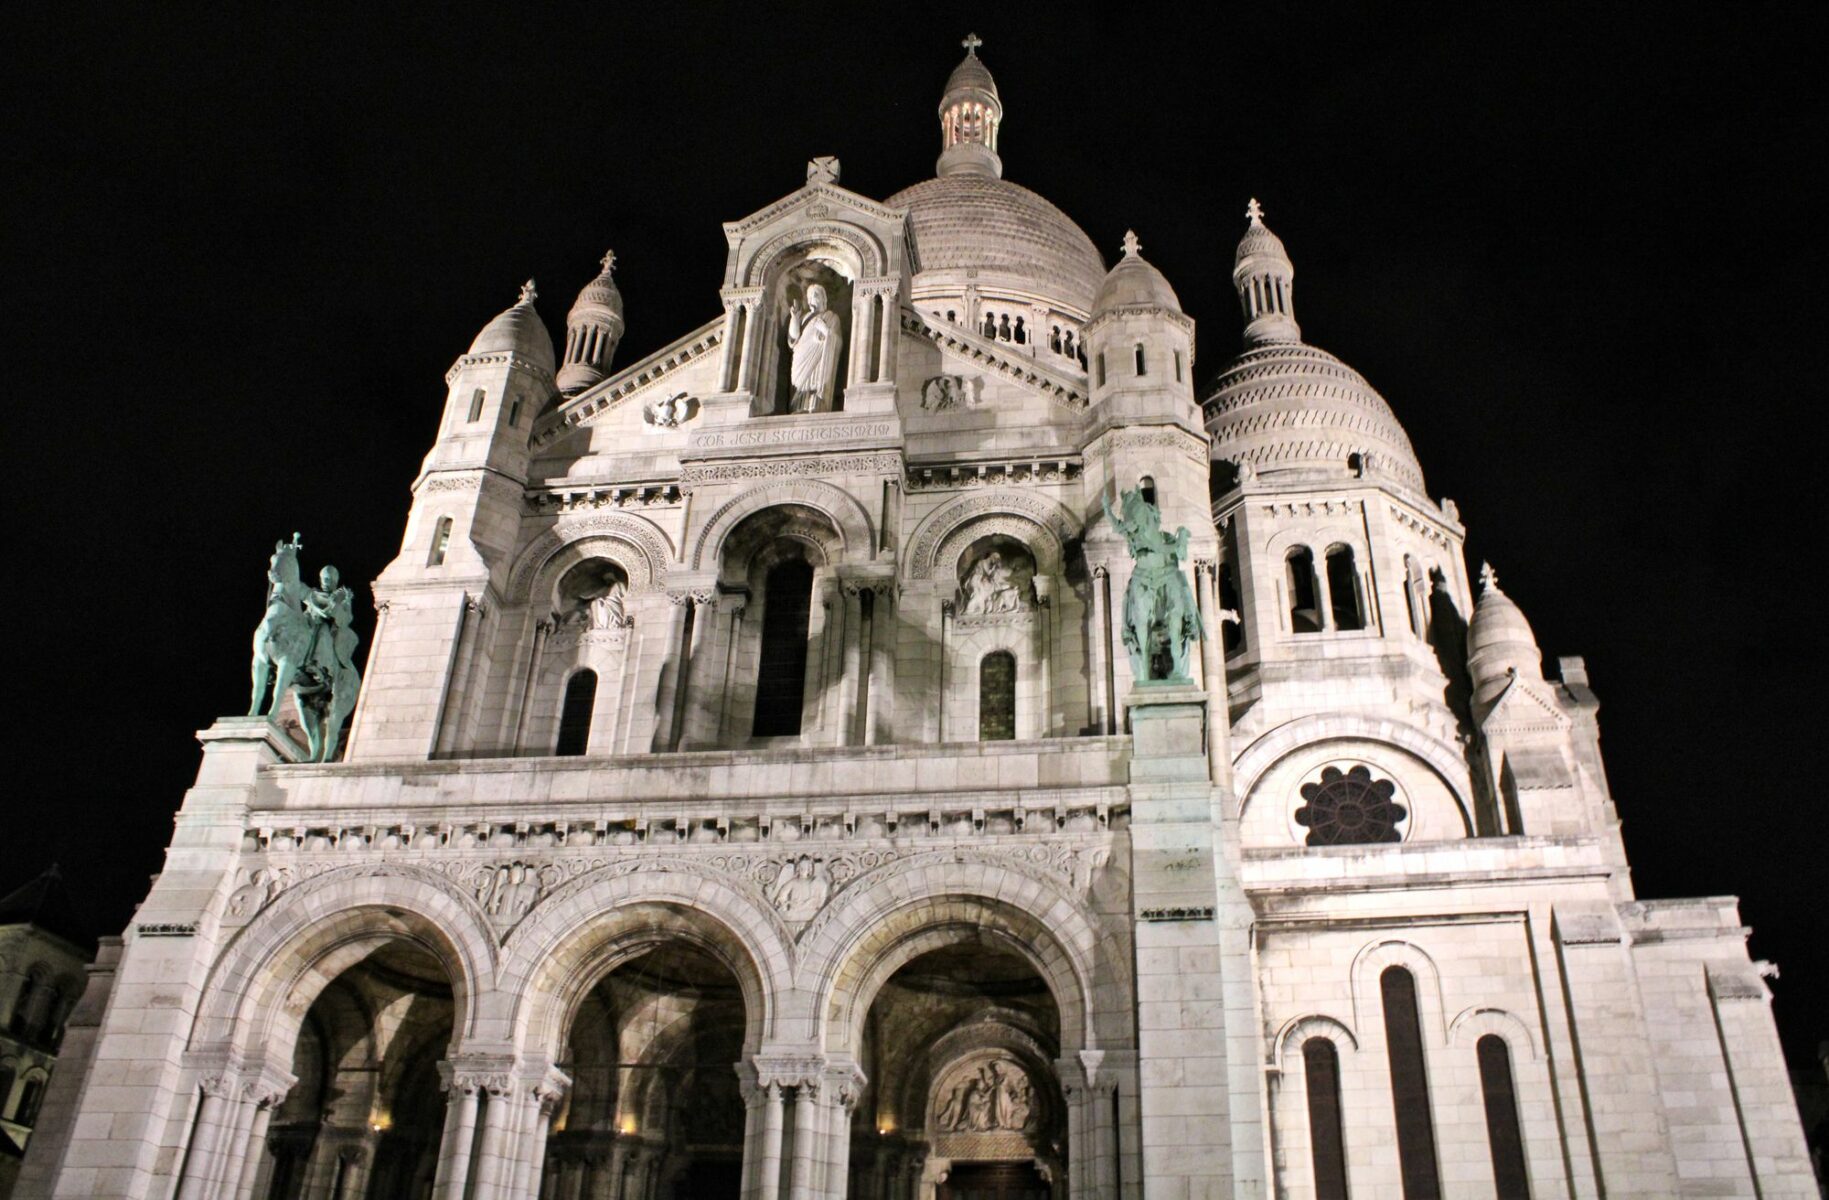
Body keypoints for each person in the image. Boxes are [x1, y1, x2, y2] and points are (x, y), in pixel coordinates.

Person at [785, 283, 843, 411]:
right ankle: (798, 408)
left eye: (816, 295)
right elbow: (794, 338)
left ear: (824, 299)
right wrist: (795, 318)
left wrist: (825, 330)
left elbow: (837, 342)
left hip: (819, 358)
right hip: (802, 356)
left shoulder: (831, 317)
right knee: (798, 383)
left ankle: (815, 405)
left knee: (814, 383)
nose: (812, 298)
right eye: (810, 296)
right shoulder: (805, 318)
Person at [302, 564, 358, 672]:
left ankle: (318, 665)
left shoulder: (341, 598)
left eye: (329, 579)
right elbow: (297, 589)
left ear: (335, 581)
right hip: (309, 622)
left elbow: (347, 618)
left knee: (323, 631)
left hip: (326, 627)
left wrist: (339, 604)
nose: (326, 582)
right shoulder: (313, 594)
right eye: (324, 579)